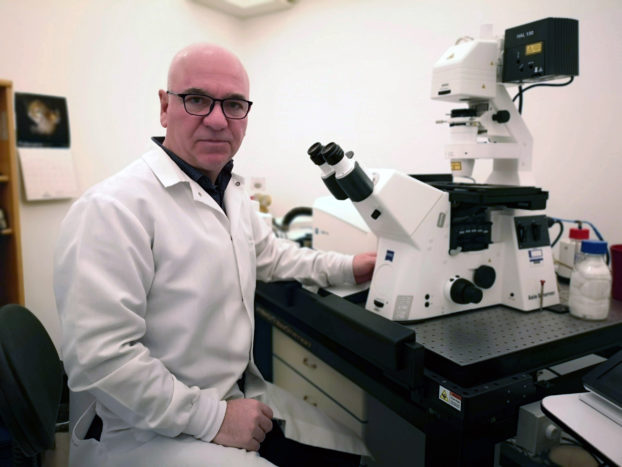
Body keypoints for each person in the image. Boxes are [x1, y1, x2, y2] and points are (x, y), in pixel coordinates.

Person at [54, 43, 376, 467]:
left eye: (234, 104)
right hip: (144, 431)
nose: (218, 120)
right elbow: (99, 358)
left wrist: (352, 267)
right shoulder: (113, 208)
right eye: (198, 100)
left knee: (355, 449)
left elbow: (273, 256)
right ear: (165, 106)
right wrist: (216, 418)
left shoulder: (231, 192)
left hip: (232, 399)